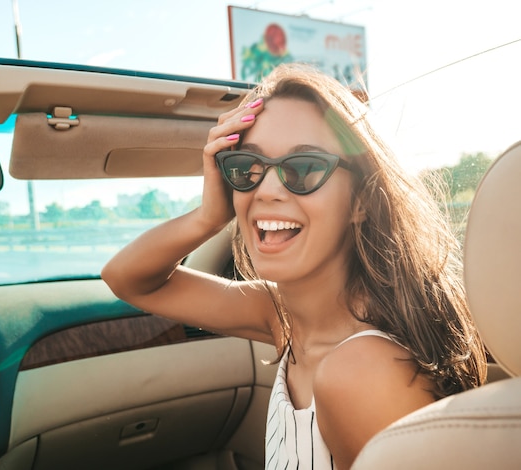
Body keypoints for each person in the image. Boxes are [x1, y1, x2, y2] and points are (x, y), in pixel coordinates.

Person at [101, 63, 487, 470]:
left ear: (360, 202)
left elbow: (133, 282)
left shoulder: (363, 371)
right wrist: (209, 216)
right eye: (246, 168)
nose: (266, 190)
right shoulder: (282, 316)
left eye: (303, 168)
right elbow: (127, 279)